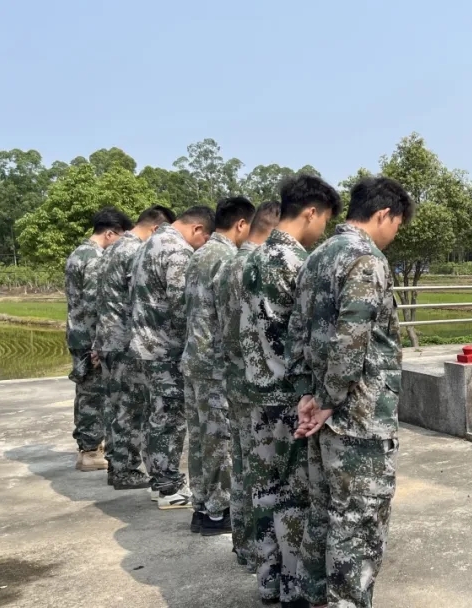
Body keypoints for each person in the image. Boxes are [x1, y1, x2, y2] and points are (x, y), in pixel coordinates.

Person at [290, 177, 414, 608]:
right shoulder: (365, 259)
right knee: (358, 520)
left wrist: (308, 396)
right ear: (384, 214)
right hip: (359, 414)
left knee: (324, 511)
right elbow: (351, 341)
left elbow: (297, 333)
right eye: (396, 224)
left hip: (324, 409)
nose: (394, 233)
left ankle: (315, 597)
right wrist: (326, 401)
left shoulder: (316, 257)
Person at [241, 175, 340, 607]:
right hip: (289, 398)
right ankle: (296, 588)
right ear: (311, 212)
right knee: (296, 495)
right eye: (325, 220)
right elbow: (307, 337)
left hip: (257, 393)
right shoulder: (297, 263)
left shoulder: (254, 258)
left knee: (265, 490)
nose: (323, 230)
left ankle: (269, 583)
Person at [129, 205, 214, 509]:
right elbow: (183, 306)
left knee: (156, 416)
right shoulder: (177, 251)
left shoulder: (147, 243)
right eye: (204, 240)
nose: (201, 246)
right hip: (166, 348)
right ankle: (168, 487)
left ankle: (159, 481)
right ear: (197, 229)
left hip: (146, 345)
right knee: (169, 419)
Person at [181, 196, 256, 535]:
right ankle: (218, 510)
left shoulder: (197, 255)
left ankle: (201, 506)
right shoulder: (227, 259)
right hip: (216, 364)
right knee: (219, 440)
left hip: (195, 359)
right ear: (241, 224)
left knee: (199, 439)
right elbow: (233, 317)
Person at [94, 205, 176, 490]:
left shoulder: (113, 248)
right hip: (124, 342)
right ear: (156, 228)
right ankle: (124, 469)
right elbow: (138, 301)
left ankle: (117, 465)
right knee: (131, 409)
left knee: (116, 406)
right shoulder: (134, 251)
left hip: (108, 339)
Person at [218, 200, 281, 570]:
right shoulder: (259, 265)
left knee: (242, 466)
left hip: (235, 377)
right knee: (263, 471)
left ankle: (245, 546)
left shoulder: (230, 263)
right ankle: (263, 552)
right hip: (258, 382)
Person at [66, 207, 133, 474]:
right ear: (110, 233)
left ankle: (88, 447)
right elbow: (96, 304)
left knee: (85, 392)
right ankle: (91, 451)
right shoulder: (95, 259)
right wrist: (99, 342)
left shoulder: (77, 254)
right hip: (90, 336)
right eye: (120, 237)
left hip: (78, 332)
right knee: (93, 395)